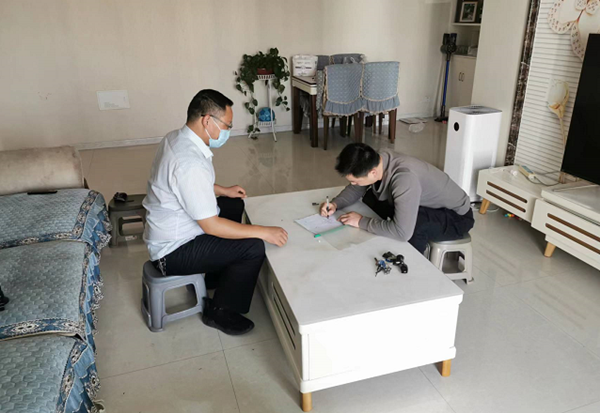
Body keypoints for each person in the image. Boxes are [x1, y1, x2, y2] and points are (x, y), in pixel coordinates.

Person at [143, 89, 288, 336]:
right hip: (172, 253)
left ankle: (213, 276)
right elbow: (211, 226)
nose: (228, 131)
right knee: (252, 247)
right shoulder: (189, 162)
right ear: (207, 120)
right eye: (227, 125)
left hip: (172, 230)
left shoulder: (176, 138)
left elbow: (185, 187)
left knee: (233, 205)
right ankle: (221, 311)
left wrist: (223, 190)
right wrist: (263, 232)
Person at [320, 143, 474, 254]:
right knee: (371, 197)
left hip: (455, 216)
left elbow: (402, 232)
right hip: (425, 202)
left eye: (355, 181)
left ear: (373, 173)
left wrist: (361, 221)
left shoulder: (404, 178)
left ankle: (412, 272)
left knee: (414, 228)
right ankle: (384, 233)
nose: (353, 184)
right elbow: (357, 188)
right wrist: (335, 204)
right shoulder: (376, 159)